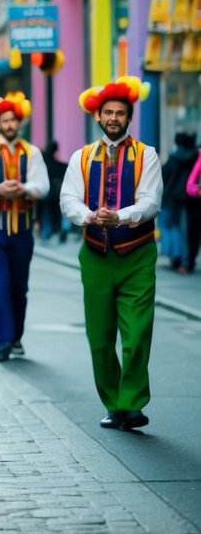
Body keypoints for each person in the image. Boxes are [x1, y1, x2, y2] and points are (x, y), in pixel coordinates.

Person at [60, 76, 163, 432]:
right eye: (108, 112)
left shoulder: (147, 154)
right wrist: (88, 215)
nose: (114, 118)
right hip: (95, 255)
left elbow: (150, 201)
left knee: (136, 332)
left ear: (129, 117)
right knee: (100, 337)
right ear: (98, 116)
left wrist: (121, 216)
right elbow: (68, 199)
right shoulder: (81, 156)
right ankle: (113, 404)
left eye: (120, 112)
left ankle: (132, 404)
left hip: (137, 253)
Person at [0, 91, 49, 362]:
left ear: (20, 122)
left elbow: (43, 186)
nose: (9, 125)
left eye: (13, 120)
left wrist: (25, 189)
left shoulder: (33, 152)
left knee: (19, 285)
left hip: (23, 227)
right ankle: (2, 341)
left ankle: (16, 337)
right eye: (4, 120)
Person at [159, 131, 198, 271]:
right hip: (190, 199)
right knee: (185, 229)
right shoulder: (195, 158)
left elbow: (162, 176)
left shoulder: (173, 159)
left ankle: (175, 255)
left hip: (171, 198)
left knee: (170, 227)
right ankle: (186, 259)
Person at [39, 140, 70, 243]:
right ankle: (63, 229)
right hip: (57, 192)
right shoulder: (60, 166)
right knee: (63, 212)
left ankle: (46, 233)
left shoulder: (43, 163)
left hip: (47, 192)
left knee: (46, 213)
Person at [185, 147, 201, 272]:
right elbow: (190, 187)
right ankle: (190, 262)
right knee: (193, 235)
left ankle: (190, 263)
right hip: (196, 204)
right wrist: (197, 190)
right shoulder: (198, 157)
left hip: (194, 205)